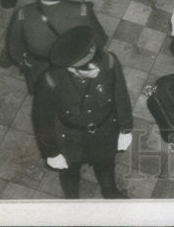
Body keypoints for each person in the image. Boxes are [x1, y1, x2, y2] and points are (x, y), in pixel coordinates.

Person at [32, 26, 133, 199]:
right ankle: (72, 199)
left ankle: (109, 191)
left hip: (105, 129)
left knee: (106, 163)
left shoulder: (109, 61)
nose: (98, 70)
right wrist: (52, 152)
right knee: (70, 170)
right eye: (89, 70)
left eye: (97, 64)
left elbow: (121, 94)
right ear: (71, 68)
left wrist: (126, 128)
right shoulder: (50, 81)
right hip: (70, 137)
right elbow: (42, 119)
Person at [6, 0, 108, 94]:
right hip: (77, 65)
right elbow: (100, 39)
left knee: (47, 93)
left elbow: (15, 49)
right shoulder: (82, 11)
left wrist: (25, 63)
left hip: (41, 68)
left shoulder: (23, 14)